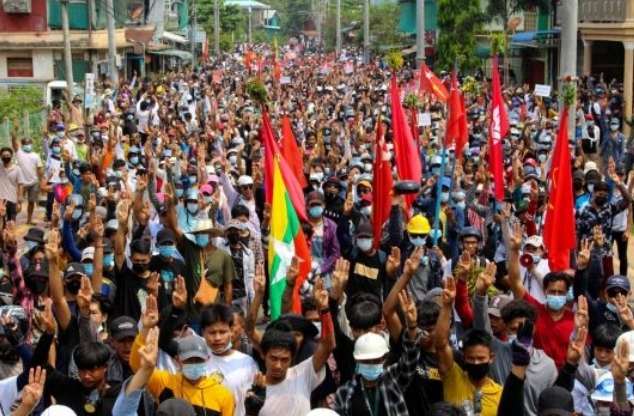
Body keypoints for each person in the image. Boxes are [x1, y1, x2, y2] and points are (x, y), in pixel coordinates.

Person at [130, 295, 235, 416]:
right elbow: (137, 365)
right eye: (189, 360)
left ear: (207, 359)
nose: (194, 364)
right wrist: (145, 328)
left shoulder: (223, 395)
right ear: (178, 361)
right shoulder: (164, 382)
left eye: (198, 359)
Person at [334, 290, 422, 416]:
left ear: (384, 359)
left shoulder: (392, 381)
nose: (370, 364)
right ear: (357, 360)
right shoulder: (344, 393)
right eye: (365, 360)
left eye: (376, 360)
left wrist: (412, 326)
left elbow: (409, 362)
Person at [436, 276, 502, 416]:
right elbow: (441, 344)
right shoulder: (453, 378)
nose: (476, 363)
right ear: (464, 358)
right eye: (471, 358)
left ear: (491, 358)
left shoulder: (500, 394)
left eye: (480, 358)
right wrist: (447, 306)